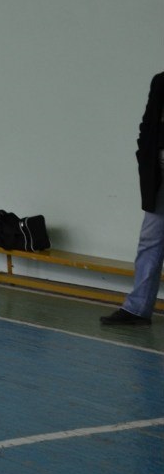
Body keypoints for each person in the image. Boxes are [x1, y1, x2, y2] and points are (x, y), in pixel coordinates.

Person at [101, 70, 164, 326]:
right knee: (150, 241)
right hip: (159, 175)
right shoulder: (161, 81)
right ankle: (138, 309)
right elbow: (148, 124)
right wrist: (144, 155)